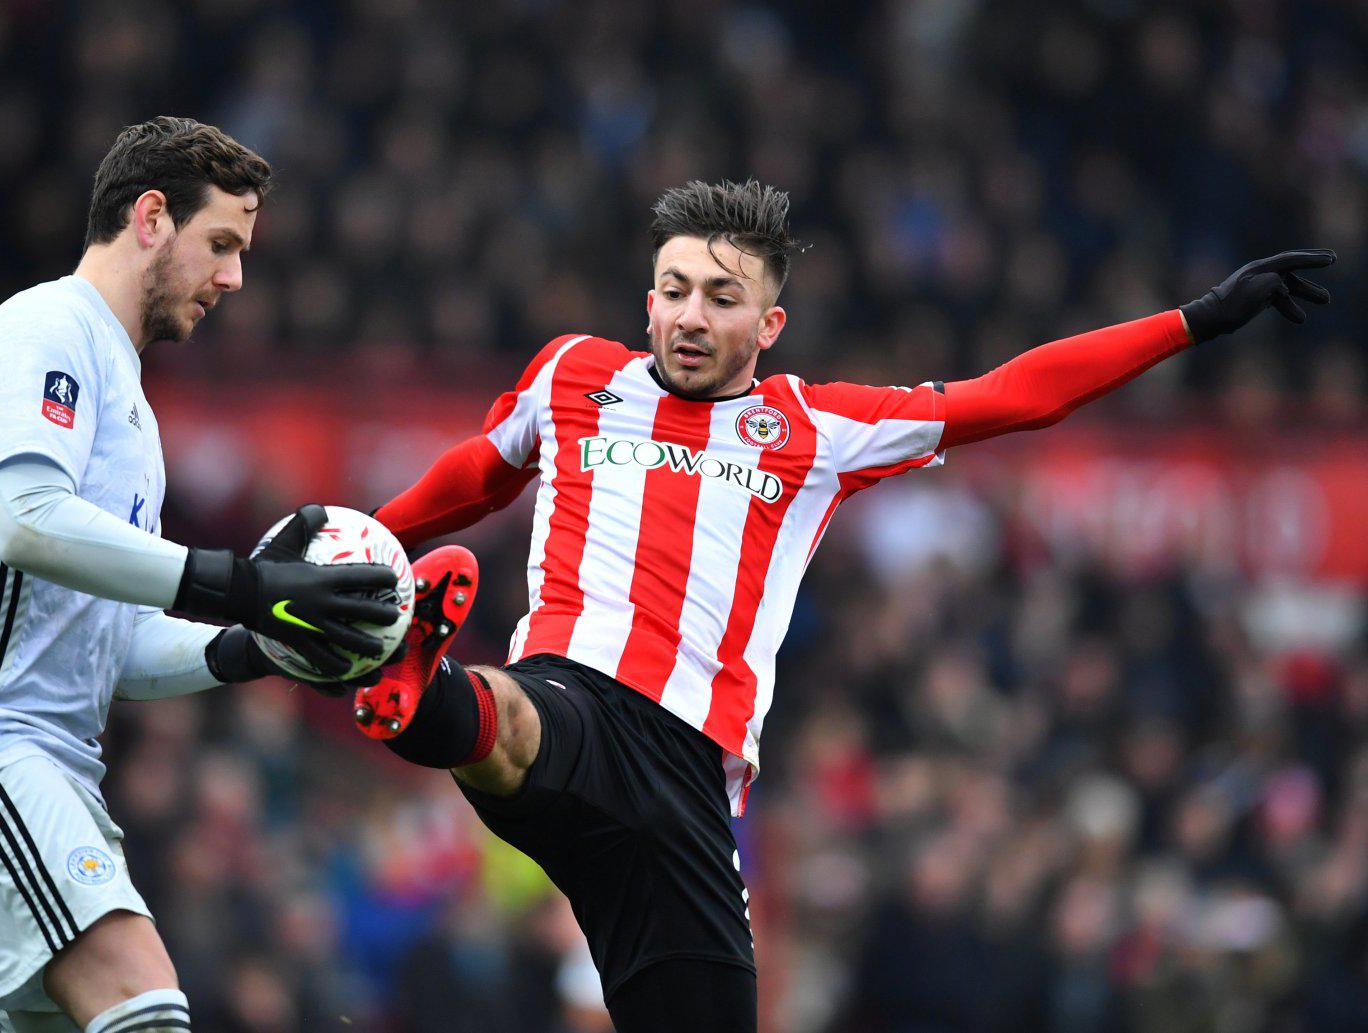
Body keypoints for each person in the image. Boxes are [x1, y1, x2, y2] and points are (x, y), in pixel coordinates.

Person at [347, 179, 1334, 1031]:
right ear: (648, 302)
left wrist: (1195, 318)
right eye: (676, 291)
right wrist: (370, 551)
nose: (692, 315)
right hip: (575, 688)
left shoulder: (815, 428)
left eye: (722, 298)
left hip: (689, 781)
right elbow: (480, 472)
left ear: (766, 326)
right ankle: (415, 676)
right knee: (517, 720)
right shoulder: (575, 376)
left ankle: (423, 684)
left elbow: (1016, 395)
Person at [0, 116, 401, 1033]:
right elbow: (29, 523)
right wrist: (243, 583)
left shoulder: (134, 410)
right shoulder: (45, 325)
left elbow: (112, 642)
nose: (234, 277)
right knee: (145, 1002)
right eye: (221, 243)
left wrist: (257, 643)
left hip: (48, 757)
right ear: (150, 217)